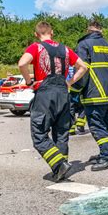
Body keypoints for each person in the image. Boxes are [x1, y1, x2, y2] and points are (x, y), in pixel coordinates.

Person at [18, 21, 88, 182]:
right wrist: (69, 82)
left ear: (36, 34)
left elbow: (22, 63)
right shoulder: (66, 49)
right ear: (52, 32)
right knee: (61, 133)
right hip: (63, 93)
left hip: (45, 93)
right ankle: (60, 169)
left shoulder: (36, 47)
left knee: (39, 134)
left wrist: (29, 81)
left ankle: (58, 164)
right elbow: (83, 67)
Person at [75, 20, 108, 171]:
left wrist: (77, 89)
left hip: (94, 95)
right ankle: (107, 152)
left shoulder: (84, 45)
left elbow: (82, 70)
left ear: (88, 30)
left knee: (97, 126)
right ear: (101, 31)